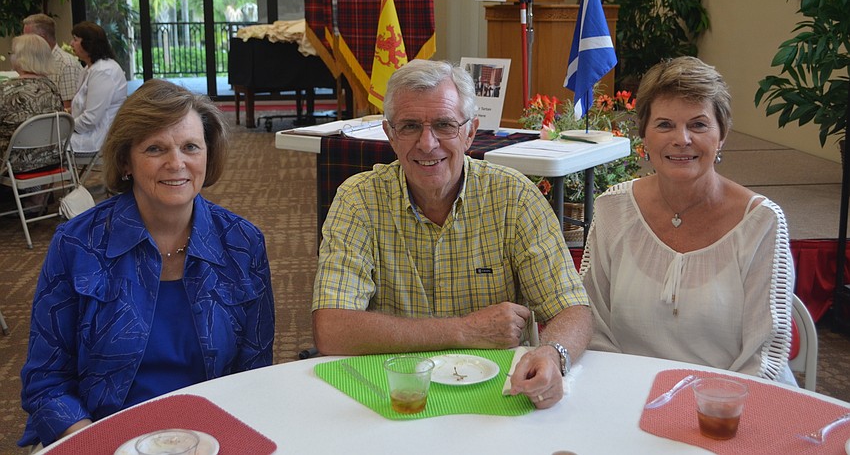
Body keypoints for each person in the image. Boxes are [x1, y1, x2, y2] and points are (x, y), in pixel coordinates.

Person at [312, 59, 593, 409]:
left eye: (444, 125)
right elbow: (332, 329)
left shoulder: (514, 198)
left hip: (499, 396)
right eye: (410, 126)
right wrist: (464, 331)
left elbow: (573, 310)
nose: (427, 144)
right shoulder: (358, 201)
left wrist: (553, 354)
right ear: (390, 134)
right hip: (391, 394)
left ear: (470, 132)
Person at [19, 79, 275, 449]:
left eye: (190, 147)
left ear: (208, 154)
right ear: (126, 161)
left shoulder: (242, 243)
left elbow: (255, 374)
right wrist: (98, 443)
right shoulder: (77, 244)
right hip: (101, 434)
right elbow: (45, 381)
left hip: (209, 436)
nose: (176, 163)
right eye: (156, 148)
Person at [579, 56, 795, 383]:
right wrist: (626, 398)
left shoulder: (762, 222)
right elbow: (591, 322)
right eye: (665, 124)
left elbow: (764, 355)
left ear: (722, 135)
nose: (682, 139)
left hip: (729, 409)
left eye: (698, 124)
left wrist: (711, 408)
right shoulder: (613, 209)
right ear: (644, 137)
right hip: (626, 398)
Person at [0, 34, 63, 172]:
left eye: (12, 53)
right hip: (51, 159)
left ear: (21, 58)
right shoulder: (52, 89)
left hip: (14, 164)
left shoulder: (5, 90)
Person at [68, 21, 127, 153]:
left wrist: (65, 126)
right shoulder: (89, 69)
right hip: (85, 132)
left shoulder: (103, 71)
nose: (71, 44)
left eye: (75, 39)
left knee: (46, 143)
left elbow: (91, 119)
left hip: (96, 138)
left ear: (88, 43)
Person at [22, 13, 83, 109]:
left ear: (42, 38)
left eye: (27, 38)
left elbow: (68, 111)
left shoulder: (66, 64)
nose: (23, 42)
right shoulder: (37, 62)